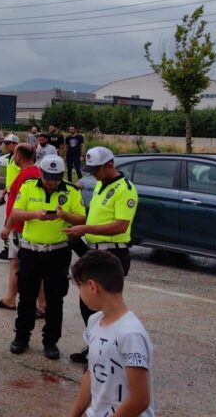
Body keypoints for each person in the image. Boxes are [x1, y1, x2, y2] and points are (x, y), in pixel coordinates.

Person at [62, 146, 138, 365]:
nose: (93, 174)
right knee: (87, 304)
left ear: (110, 165)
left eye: (96, 169)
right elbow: (94, 218)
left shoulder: (125, 189)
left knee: (105, 305)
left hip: (112, 252)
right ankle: (94, 345)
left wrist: (85, 230)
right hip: (95, 251)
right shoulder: (101, 185)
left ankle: (109, 350)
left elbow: (120, 226)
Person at [8, 155, 86, 360]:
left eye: (56, 177)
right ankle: (21, 337)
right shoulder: (28, 186)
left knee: (55, 299)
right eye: (48, 176)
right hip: (31, 251)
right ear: (40, 172)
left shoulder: (71, 190)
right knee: (26, 296)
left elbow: (82, 217)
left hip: (58, 252)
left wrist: (64, 216)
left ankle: (51, 341)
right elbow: (16, 212)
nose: (51, 181)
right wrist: (35, 214)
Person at [67, 251, 155, 417]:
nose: (80, 293)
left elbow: (140, 399)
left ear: (92, 286)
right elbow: (91, 372)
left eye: (80, 287)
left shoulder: (130, 333)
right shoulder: (95, 321)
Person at [0, 143, 44, 314]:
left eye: (14, 154)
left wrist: (7, 228)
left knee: (18, 264)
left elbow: (17, 207)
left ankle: (30, 303)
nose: (13, 156)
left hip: (20, 227)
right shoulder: (34, 173)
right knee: (23, 264)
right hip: (27, 226)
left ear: (19, 156)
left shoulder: (25, 176)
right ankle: (13, 299)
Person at [0, 133, 21, 261]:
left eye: (8, 143)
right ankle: (9, 248)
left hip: (18, 194)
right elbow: (11, 178)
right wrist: (5, 190)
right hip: (11, 193)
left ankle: (9, 249)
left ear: (15, 144)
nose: (6, 146)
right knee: (9, 220)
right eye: (5, 143)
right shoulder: (10, 158)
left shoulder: (18, 159)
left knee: (11, 221)